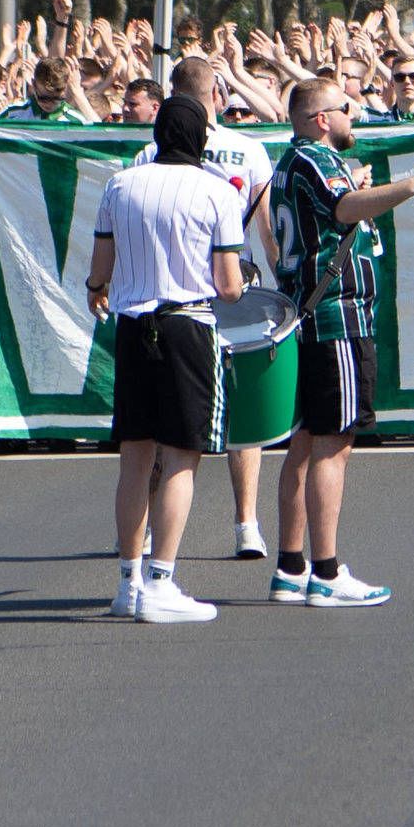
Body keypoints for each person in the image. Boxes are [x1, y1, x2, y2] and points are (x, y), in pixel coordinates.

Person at [263, 79, 414, 608]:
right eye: (345, 107)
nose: (353, 113)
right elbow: (343, 210)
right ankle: (326, 571)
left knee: (305, 443)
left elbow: (330, 208)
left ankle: (291, 568)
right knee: (331, 446)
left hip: (315, 315)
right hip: (336, 317)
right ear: (321, 118)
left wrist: (357, 186)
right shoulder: (314, 157)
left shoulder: (295, 163)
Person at [90, 95, 249, 625]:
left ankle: (128, 581)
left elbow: (100, 267)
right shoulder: (216, 190)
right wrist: (244, 278)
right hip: (187, 325)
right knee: (182, 454)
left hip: (134, 326)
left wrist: (96, 287)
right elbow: (228, 287)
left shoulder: (121, 183)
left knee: (134, 458)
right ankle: (160, 580)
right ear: (202, 139)